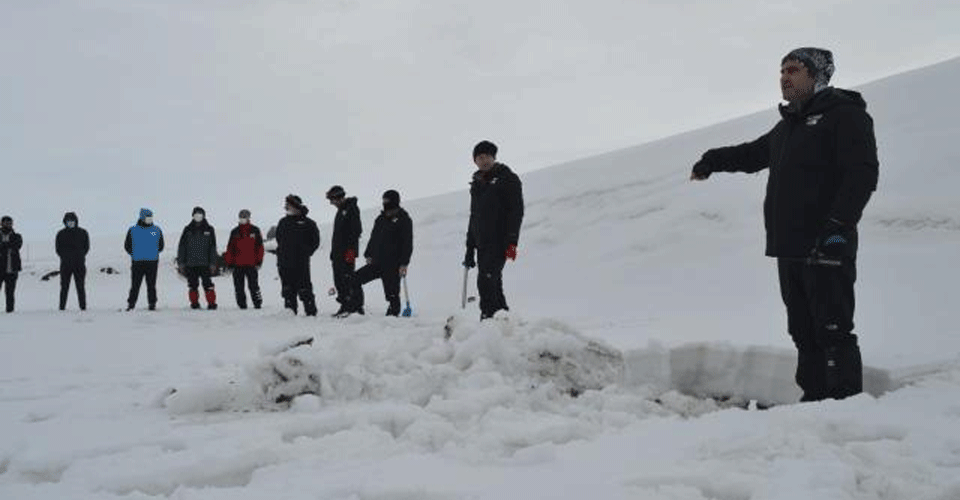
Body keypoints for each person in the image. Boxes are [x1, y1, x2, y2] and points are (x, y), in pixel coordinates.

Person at [690, 47, 879, 402]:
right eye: (782, 71)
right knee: (803, 330)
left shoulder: (845, 116)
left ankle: (844, 406)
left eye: (793, 70)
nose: (784, 77)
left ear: (817, 75)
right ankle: (814, 401)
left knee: (832, 328)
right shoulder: (788, 126)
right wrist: (712, 161)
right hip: (790, 246)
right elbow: (752, 154)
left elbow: (862, 174)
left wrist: (838, 226)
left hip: (828, 240)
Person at [463, 140, 524, 320]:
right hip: (482, 242)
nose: (484, 161)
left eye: (487, 156)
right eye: (480, 158)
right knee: (492, 282)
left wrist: (512, 241)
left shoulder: (507, 179)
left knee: (486, 280)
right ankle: (503, 318)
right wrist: (469, 248)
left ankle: (488, 317)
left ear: (494, 157)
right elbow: (474, 216)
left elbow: (516, 211)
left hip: (500, 240)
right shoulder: (477, 184)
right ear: (475, 161)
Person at [348, 190, 413, 317]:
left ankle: (393, 315)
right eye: (384, 201)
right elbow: (374, 238)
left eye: (388, 202)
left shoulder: (404, 220)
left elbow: (407, 244)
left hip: (393, 264)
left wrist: (404, 263)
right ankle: (356, 308)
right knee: (354, 279)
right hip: (377, 262)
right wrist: (368, 254)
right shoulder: (380, 219)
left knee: (392, 293)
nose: (385, 205)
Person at [276, 194, 320, 316]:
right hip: (284, 262)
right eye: (286, 206)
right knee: (288, 290)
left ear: (296, 206)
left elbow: (315, 241)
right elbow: (279, 239)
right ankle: (290, 313)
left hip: (301, 263)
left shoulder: (309, 223)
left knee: (305, 288)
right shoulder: (283, 222)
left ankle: (311, 312)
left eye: (288, 206)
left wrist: (306, 252)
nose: (286, 208)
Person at [326, 185, 362, 317]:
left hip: (348, 252)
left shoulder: (351, 208)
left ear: (338, 197)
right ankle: (344, 305)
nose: (331, 203)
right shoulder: (340, 211)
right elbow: (337, 235)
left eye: (332, 200)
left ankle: (355, 306)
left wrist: (351, 251)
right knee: (339, 280)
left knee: (348, 278)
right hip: (337, 253)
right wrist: (333, 252)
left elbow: (356, 231)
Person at [177, 206, 219, 310]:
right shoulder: (187, 229)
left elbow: (213, 248)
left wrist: (213, 263)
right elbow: (182, 247)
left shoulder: (209, 229)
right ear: (192, 216)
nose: (198, 216)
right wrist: (181, 263)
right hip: (190, 264)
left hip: (205, 264)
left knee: (208, 285)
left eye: (200, 214)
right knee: (192, 285)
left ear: (204, 216)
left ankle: (211, 304)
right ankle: (194, 304)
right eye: (196, 214)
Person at [124, 208, 165, 311]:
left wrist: (153, 253)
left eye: (151, 217)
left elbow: (161, 246)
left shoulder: (156, 230)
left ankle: (152, 304)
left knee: (151, 285)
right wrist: (134, 254)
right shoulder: (133, 230)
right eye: (147, 217)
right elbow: (127, 246)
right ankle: (131, 304)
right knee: (135, 285)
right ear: (142, 218)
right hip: (137, 262)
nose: (150, 219)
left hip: (152, 262)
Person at [224, 209, 264, 309]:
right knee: (238, 287)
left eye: (244, 217)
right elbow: (230, 249)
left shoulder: (255, 230)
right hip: (237, 265)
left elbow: (260, 247)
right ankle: (242, 305)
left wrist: (259, 261)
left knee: (254, 286)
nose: (242, 219)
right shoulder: (235, 232)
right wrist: (229, 263)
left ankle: (257, 303)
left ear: (248, 218)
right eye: (241, 217)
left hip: (251, 264)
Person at [55, 212, 90, 311]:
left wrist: (80, 256)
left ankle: (83, 307)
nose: (70, 222)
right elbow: (58, 249)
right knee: (64, 287)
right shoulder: (60, 234)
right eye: (68, 221)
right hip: (65, 265)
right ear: (65, 222)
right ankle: (62, 307)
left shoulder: (83, 232)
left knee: (81, 287)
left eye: (72, 220)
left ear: (76, 221)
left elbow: (86, 247)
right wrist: (65, 257)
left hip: (79, 265)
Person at [0, 215, 23, 313]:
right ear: (1, 223)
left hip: (11, 269)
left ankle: (10, 312)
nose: (8, 225)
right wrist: (8, 246)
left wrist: (4, 245)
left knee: (10, 293)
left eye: (9, 223)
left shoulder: (17, 236)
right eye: (5, 223)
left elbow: (17, 245)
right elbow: (10, 245)